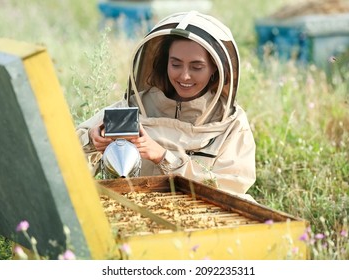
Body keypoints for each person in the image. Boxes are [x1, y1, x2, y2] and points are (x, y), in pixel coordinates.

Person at [76, 11, 256, 200]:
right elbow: (65, 157)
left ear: (215, 69)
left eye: (197, 67)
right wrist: (91, 140)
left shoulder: (230, 123)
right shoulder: (133, 108)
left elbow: (230, 187)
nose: (184, 76)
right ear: (165, 63)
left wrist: (164, 157)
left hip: (197, 218)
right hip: (131, 211)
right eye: (176, 64)